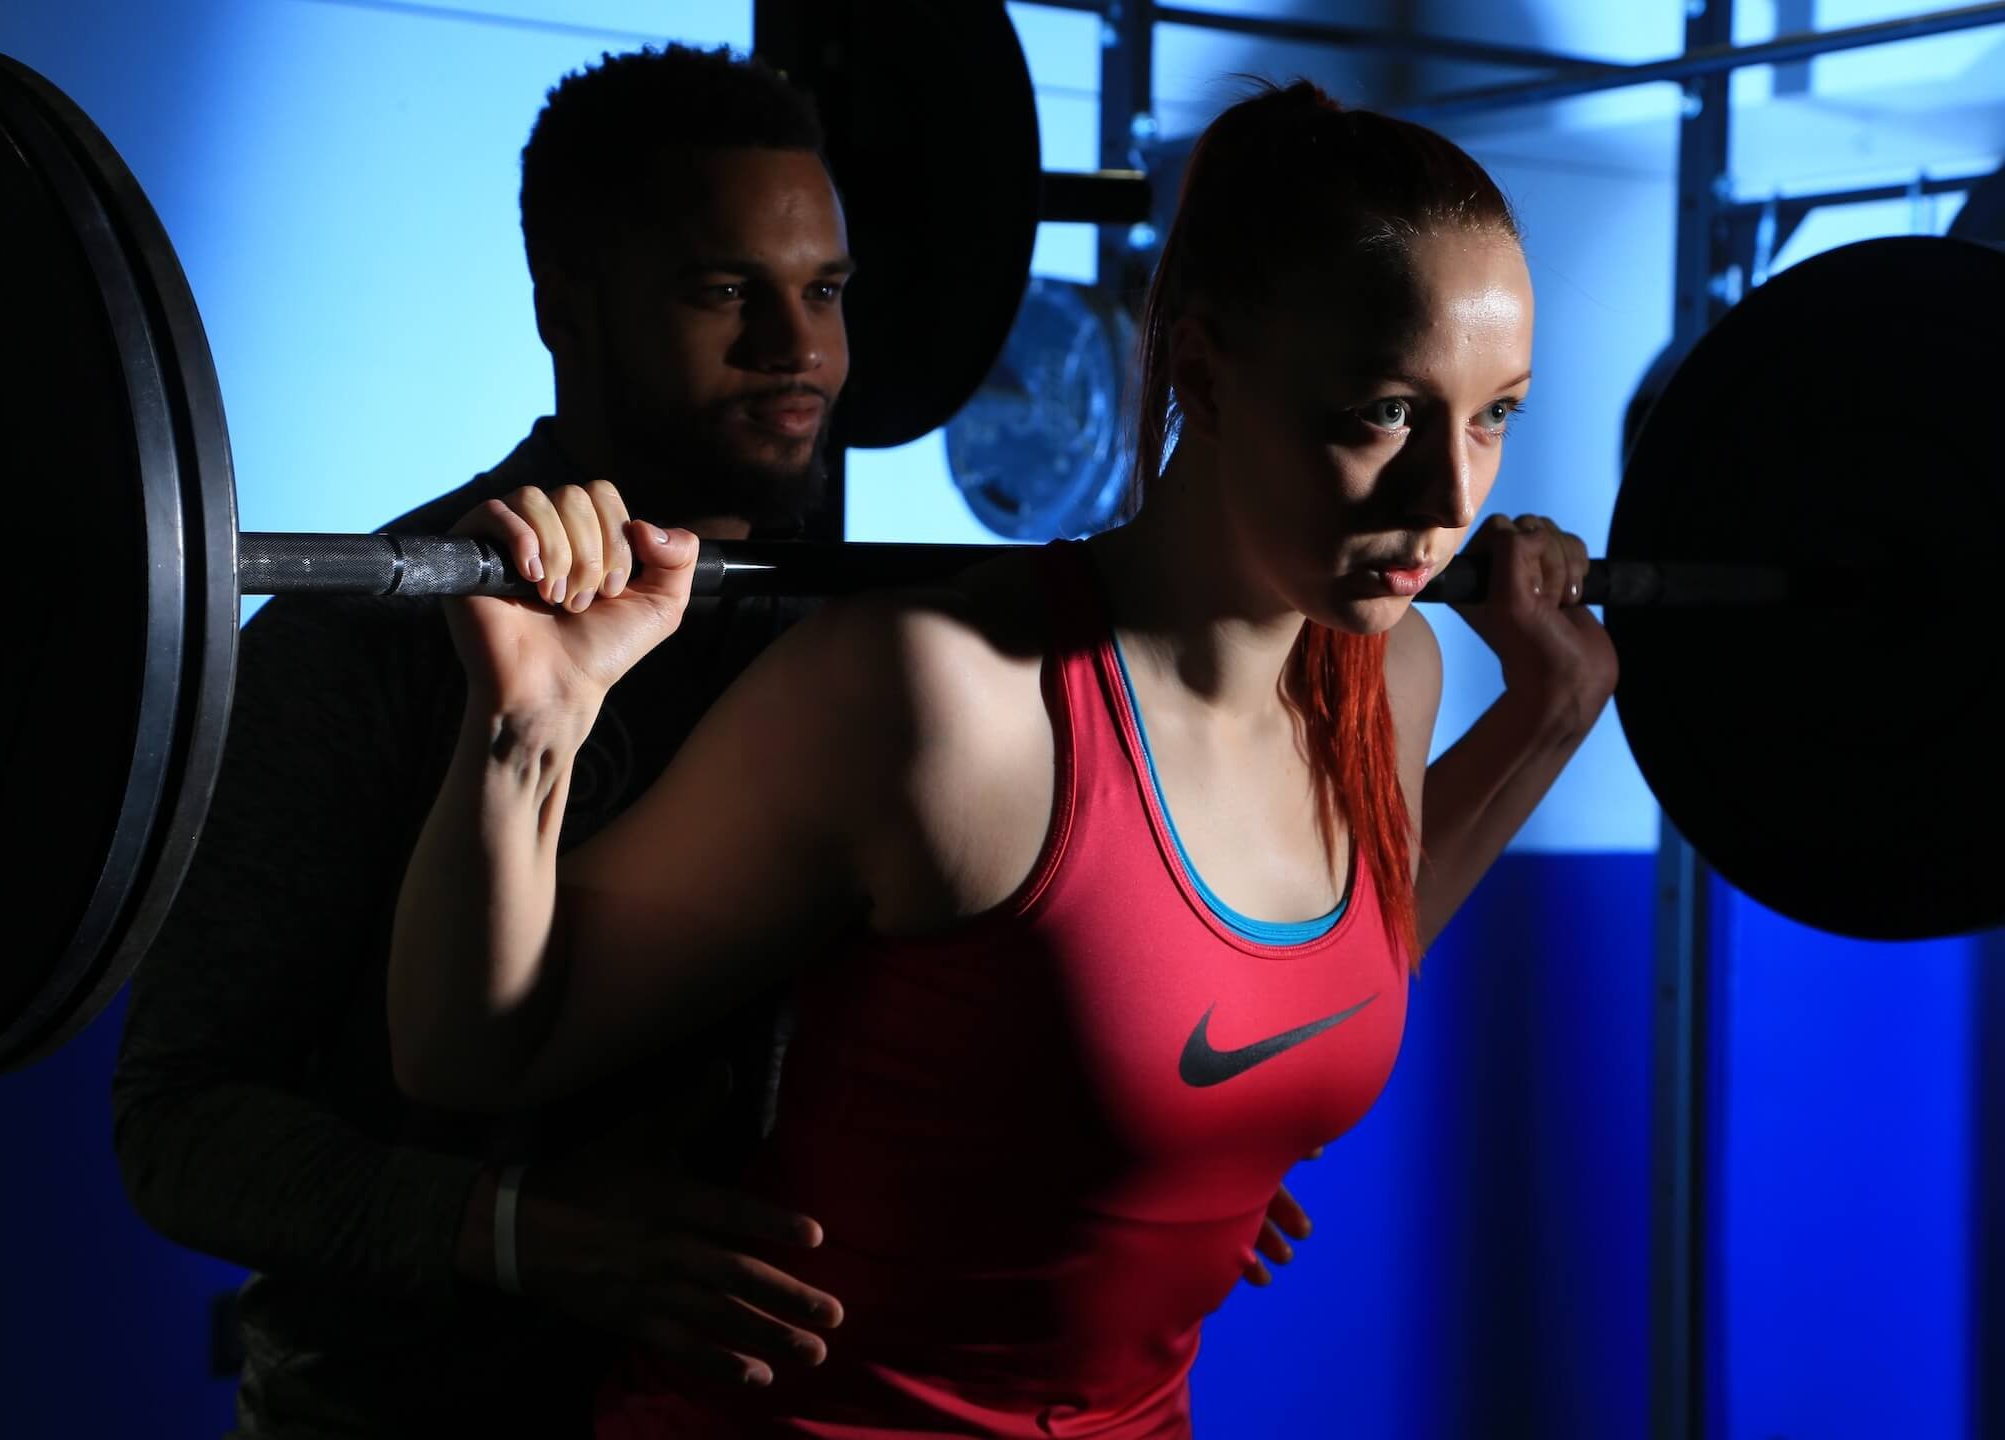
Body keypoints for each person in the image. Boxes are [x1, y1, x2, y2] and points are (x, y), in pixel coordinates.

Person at [388, 79, 1597, 1435]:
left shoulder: (1397, 674)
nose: (1449, 497)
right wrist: (530, 731)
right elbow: (475, 1051)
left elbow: (1325, 968)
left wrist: (1551, 712)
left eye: (1494, 417)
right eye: (1383, 411)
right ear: (1197, 369)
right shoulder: (938, 697)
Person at [112, 45, 856, 1437]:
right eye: (724, 290)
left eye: (823, 292)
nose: (794, 347)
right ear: (564, 304)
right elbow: (181, 1124)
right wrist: (515, 1231)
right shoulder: (371, 643)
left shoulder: (863, 638)